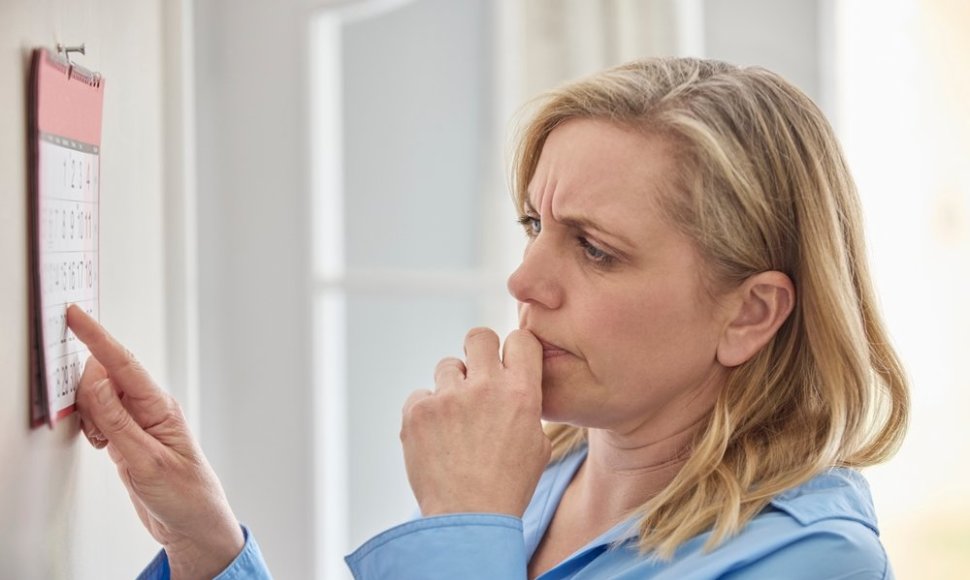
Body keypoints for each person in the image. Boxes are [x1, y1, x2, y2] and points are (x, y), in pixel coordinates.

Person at [67, 57, 909, 579]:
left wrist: (469, 529)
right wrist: (208, 548)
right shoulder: (541, 476)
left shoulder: (813, 560)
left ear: (750, 313)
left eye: (597, 250)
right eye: (535, 226)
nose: (525, 279)